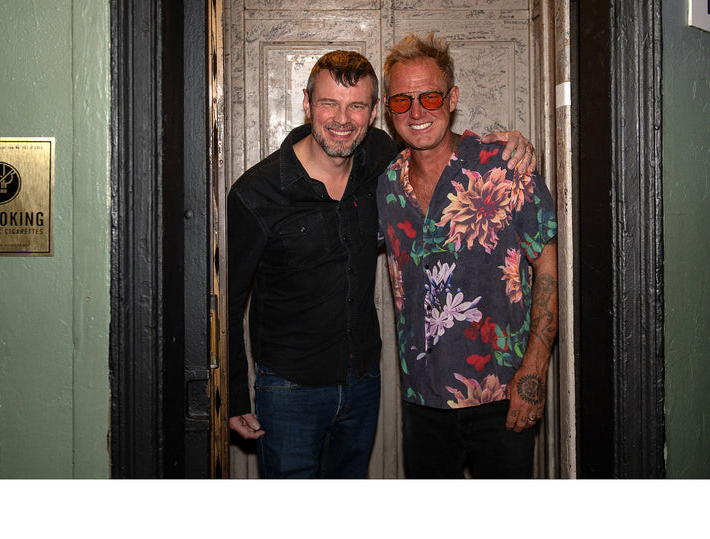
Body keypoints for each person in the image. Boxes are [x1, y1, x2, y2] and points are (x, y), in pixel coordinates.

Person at [226, 49, 536, 479]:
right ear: (306, 103)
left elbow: (442, 148)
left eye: (356, 106)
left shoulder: (383, 163)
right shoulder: (256, 193)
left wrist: (507, 143)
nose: (341, 119)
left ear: (374, 113)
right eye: (328, 103)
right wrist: (234, 395)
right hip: (288, 389)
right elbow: (228, 299)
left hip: (362, 383)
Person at [377, 33, 559, 479]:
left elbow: (550, 271)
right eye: (401, 101)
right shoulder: (386, 186)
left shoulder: (504, 168)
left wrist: (534, 372)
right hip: (422, 400)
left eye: (430, 96)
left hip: (504, 394)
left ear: (452, 98)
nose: (416, 112)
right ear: (388, 108)